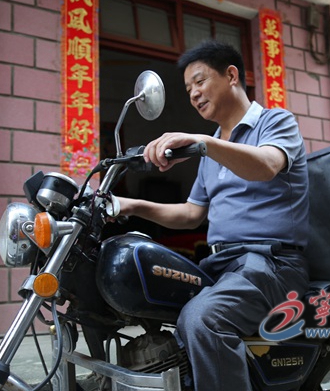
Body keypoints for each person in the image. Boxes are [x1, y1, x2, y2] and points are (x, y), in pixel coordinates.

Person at [118, 39, 310, 391]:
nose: (193, 94)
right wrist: (129, 206)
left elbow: (267, 165)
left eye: (200, 81)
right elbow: (192, 214)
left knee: (202, 320)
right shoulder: (211, 146)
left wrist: (203, 144)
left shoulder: (275, 121)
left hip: (272, 266)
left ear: (231, 75)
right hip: (221, 266)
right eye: (188, 88)